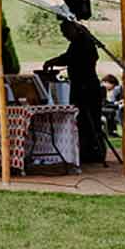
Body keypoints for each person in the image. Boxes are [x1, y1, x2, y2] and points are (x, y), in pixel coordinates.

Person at [45, 23, 107, 165]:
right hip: (83, 86)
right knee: (85, 122)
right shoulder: (80, 42)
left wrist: (53, 62)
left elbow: (70, 58)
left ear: (74, 29)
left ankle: (93, 152)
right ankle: (89, 151)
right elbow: (70, 58)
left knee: (88, 121)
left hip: (86, 87)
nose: (64, 35)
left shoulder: (83, 43)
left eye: (65, 32)